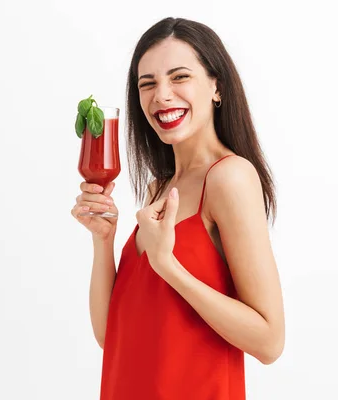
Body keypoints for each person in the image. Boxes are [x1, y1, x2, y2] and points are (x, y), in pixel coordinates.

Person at [71, 17, 285, 400]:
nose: (162, 95)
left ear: (216, 86)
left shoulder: (230, 178)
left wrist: (167, 266)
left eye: (179, 77)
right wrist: (104, 241)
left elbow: (269, 341)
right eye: (147, 84)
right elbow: (111, 336)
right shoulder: (159, 189)